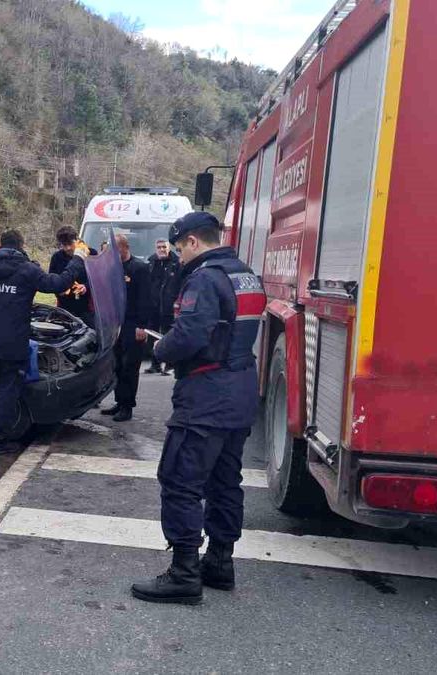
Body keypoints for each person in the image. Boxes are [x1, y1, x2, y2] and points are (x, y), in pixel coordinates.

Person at [130, 211, 266, 605]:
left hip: (206, 394)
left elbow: (189, 334)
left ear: (192, 241)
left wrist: (158, 348)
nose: (178, 256)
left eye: (179, 248)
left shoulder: (205, 278)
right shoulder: (246, 275)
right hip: (240, 390)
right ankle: (220, 564)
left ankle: (184, 573)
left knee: (180, 480)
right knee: (225, 481)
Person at [0, 229, 87, 455]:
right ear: (21, 245)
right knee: (8, 391)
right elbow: (57, 283)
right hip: (13, 343)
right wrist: (78, 260)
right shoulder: (28, 270)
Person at [100, 232, 152, 422]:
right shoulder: (112, 269)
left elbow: (146, 299)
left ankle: (127, 406)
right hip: (116, 324)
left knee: (130, 366)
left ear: (123, 248)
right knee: (117, 365)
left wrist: (142, 326)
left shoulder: (140, 268)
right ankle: (119, 401)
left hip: (133, 324)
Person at [147, 238, 182, 375]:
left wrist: (178, 301)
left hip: (170, 305)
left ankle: (169, 365)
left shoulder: (177, 263)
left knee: (169, 334)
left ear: (169, 248)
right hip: (154, 305)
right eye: (159, 247)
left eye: (164, 247)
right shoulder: (151, 263)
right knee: (152, 334)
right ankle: (155, 364)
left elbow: (182, 283)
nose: (161, 250)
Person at [48, 225, 94, 326]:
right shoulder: (57, 258)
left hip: (87, 308)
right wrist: (59, 291)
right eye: (64, 245)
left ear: (76, 240)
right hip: (65, 308)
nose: (68, 248)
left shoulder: (91, 254)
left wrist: (86, 286)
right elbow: (52, 279)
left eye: (70, 243)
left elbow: (98, 279)